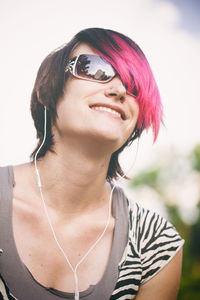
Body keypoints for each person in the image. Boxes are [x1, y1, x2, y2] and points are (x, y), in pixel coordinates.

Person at [0, 27, 184, 300]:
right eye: (95, 68)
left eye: (133, 85)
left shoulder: (156, 245)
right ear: (47, 89)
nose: (120, 89)